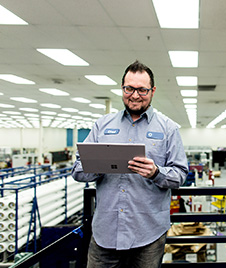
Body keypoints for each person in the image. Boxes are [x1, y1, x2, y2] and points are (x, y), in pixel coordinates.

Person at [72, 60, 188, 268]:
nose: (135, 95)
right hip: (105, 232)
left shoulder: (168, 129)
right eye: (129, 88)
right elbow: (77, 171)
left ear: (152, 91)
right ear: (122, 89)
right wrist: (98, 166)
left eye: (142, 90)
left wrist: (156, 173)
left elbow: (180, 175)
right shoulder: (102, 125)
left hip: (148, 233)